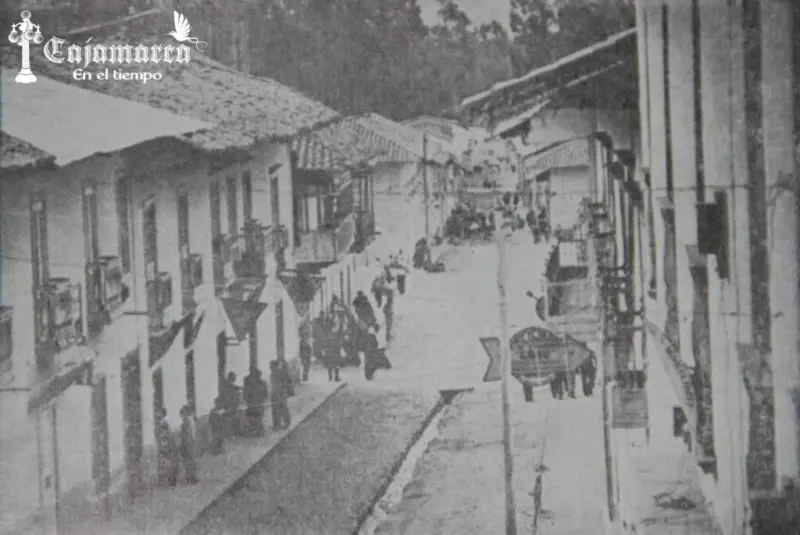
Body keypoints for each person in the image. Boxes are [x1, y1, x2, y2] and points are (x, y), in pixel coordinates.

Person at [243, 367, 268, 435]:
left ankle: (258, 430)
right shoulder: (247, 379)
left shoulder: (262, 382)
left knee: (258, 416)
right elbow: (246, 390)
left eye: (258, 374)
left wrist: (263, 399)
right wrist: (246, 398)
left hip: (258, 402)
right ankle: (254, 430)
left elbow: (265, 392)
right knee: (252, 417)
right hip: (251, 401)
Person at [155, 408, 177, 487]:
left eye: (159, 413)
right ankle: (169, 480)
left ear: (162, 414)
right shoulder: (161, 423)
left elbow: (165, 436)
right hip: (164, 444)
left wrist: (164, 446)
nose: (157, 414)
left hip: (166, 445)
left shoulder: (164, 423)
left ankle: (171, 480)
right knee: (166, 464)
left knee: (168, 463)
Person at [178, 405, 198, 484]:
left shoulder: (187, 420)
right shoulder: (190, 420)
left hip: (188, 443)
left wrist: (185, 444)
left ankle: (191, 478)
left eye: (182, 413)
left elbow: (187, 434)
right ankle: (191, 477)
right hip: (189, 443)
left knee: (189, 461)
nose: (181, 415)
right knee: (190, 461)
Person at [270, 360, 292, 430]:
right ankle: (277, 425)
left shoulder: (281, 373)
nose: (270, 367)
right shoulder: (273, 374)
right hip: (274, 394)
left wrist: (283, 390)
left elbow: (287, 382)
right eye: (270, 366)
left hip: (280, 394)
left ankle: (286, 424)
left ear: (275, 366)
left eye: (271, 366)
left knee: (283, 409)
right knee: (275, 410)